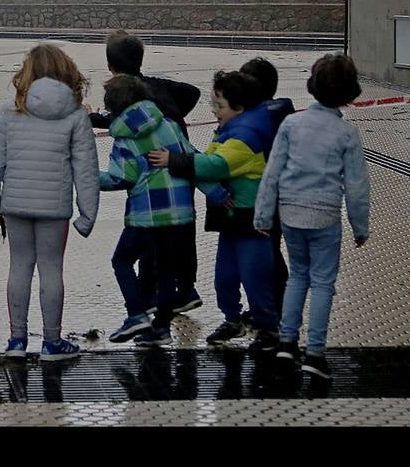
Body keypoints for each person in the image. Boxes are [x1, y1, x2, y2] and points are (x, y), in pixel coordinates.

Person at [0, 44, 100, 362]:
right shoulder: (75, 114)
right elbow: (85, 169)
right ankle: (52, 343)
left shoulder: (10, 111)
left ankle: (17, 341)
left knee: (19, 267)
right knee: (51, 269)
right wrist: (88, 215)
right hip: (54, 206)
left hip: (14, 203)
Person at [254, 53, 370, 380]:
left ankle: (287, 342)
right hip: (324, 218)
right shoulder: (347, 134)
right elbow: (357, 186)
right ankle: (315, 353)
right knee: (322, 284)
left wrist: (263, 217)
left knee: (297, 277)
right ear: (350, 92)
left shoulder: (291, 124)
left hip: (290, 215)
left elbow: (272, 173)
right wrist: (360, 226)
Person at [148, 69, 279, 353]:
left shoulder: (246, 137)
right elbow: (208, 160)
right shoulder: (230, 130)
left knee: (255, 277)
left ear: (239, 107)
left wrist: (175, 159)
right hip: (231, 221)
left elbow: (214, 165)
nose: (214, 111)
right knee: (225, 277)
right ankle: (232, 319)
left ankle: (268, 327)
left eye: (219, 106)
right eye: (214, 104)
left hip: (251, 221)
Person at [89, 31, 203, 315]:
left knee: (149, 239)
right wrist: (174, 114)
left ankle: (145, 301)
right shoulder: (157, 89)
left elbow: (121, 168)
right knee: (182, 227)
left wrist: (86, 177)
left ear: (110, 66)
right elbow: (192, 92)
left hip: (151, 182)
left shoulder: (126, 100)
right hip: (181, 162)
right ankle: (185, 288)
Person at [98, 75, 196, 347]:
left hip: (147, 214)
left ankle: (136, 314)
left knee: (122, 261)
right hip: (179, 211)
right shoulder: (171, 125)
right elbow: (191, 159)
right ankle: (162, 328)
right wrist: (218, 192)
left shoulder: (124, 138)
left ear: (114, 107)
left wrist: (87, 177)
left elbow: (121, 178)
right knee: (165, 268)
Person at [238, 57, 296, 333]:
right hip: (281, 197)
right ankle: (272, 308)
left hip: (265, 199)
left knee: (268, 254)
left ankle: (274, 312)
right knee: (270, 251)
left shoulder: (259, 121)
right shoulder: (281, 114)